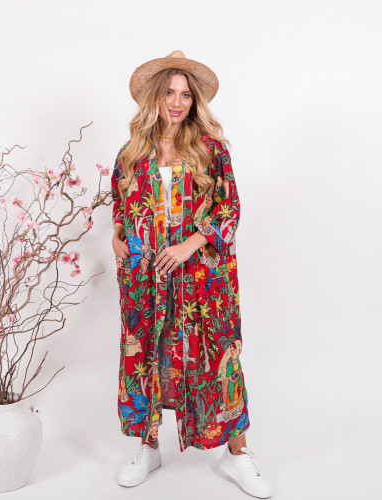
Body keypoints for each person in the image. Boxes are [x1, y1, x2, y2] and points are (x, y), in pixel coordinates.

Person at [110, 50, 273, 499]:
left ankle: (237, 454)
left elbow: (229, 208)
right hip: (147, 279)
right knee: (147, 354)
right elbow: (120, 207)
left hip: (203, 282)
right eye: (169, 93)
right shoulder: (131, 153)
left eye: (185, 95)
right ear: (154, 97)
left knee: (219, 357)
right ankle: (148, 448)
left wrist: (189, 245)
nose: (177, 102)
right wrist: (117, 236)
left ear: (194, 101)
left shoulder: (210, 150)